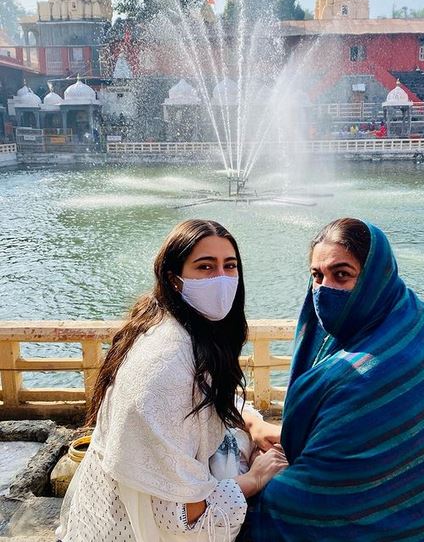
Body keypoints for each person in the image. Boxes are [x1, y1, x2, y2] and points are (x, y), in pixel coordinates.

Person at [249, 218, 424, 541]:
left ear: (375, 277)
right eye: (317, 276)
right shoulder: (421, 327)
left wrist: (248, 484)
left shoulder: (361, 379)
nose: (324, 289)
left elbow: (313, 504)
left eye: (342, 275)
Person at [57, 219, 286, 542]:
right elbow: (182, 517)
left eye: (229, 266)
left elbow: (199, 404)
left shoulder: (172, 326)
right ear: (174, 279)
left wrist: (251, 423)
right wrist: (255, 479)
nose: (221, 279)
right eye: (205, 267)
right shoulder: (166, 365)